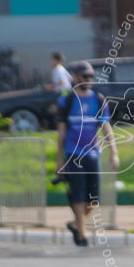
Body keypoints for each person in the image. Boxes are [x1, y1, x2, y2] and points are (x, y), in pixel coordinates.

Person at [56, 61, 120, 247]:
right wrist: (59, 160)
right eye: (84, 76)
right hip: (73, 153)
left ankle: (77, 224)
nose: (88, 80)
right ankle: (82, 236)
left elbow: (106, 127)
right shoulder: (66, 101)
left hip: (93, 154)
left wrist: (113, 152)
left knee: (93, 200)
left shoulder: (98, 100)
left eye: (90, 76)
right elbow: (60, 132)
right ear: (75, 77)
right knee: (78, 196)